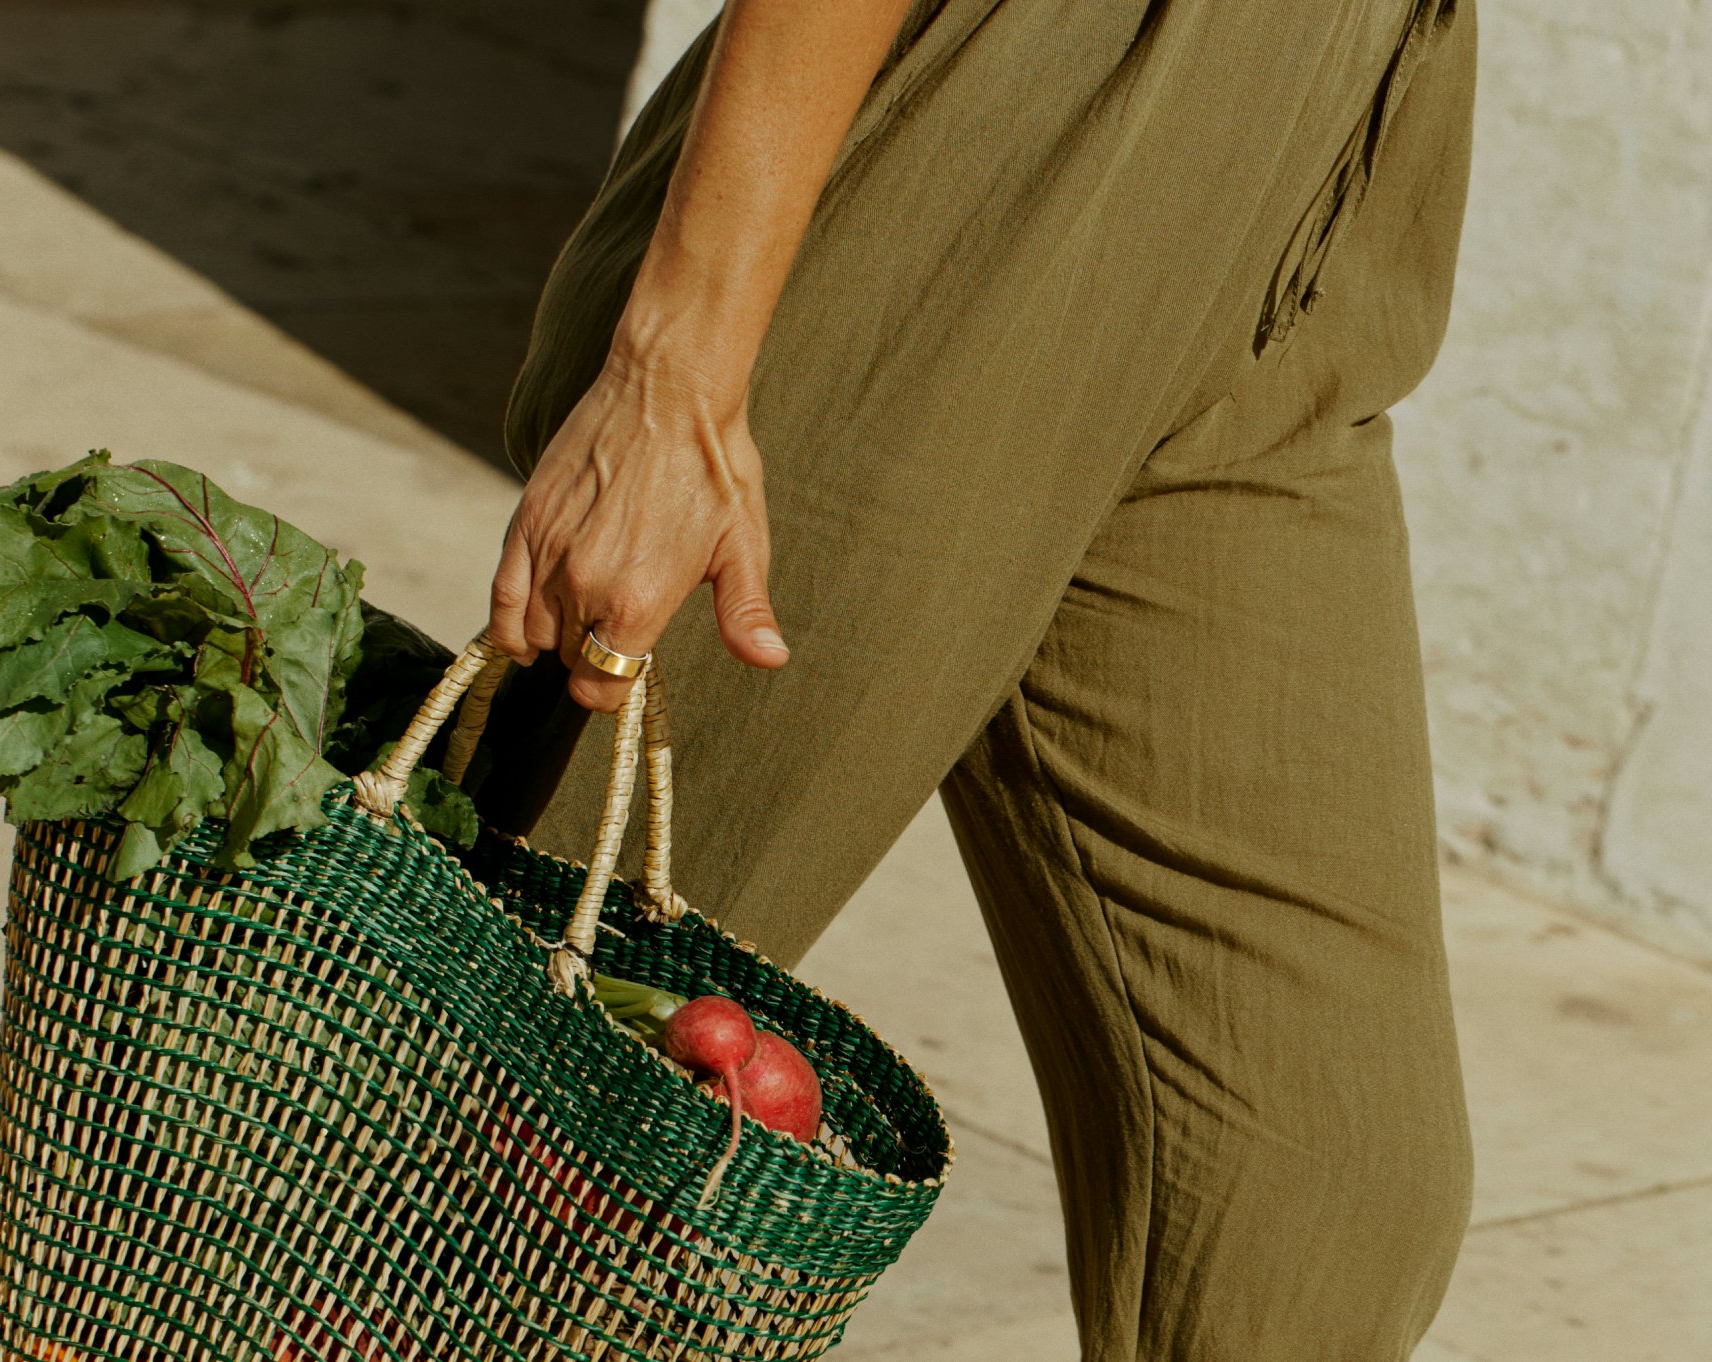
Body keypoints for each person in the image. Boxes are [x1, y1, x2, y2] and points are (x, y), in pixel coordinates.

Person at [481, 0, 1477, 1357]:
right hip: (1001, 131)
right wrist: (677, 368)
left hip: (1316, 151)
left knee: (1322, 1182)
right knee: (528, 1121)